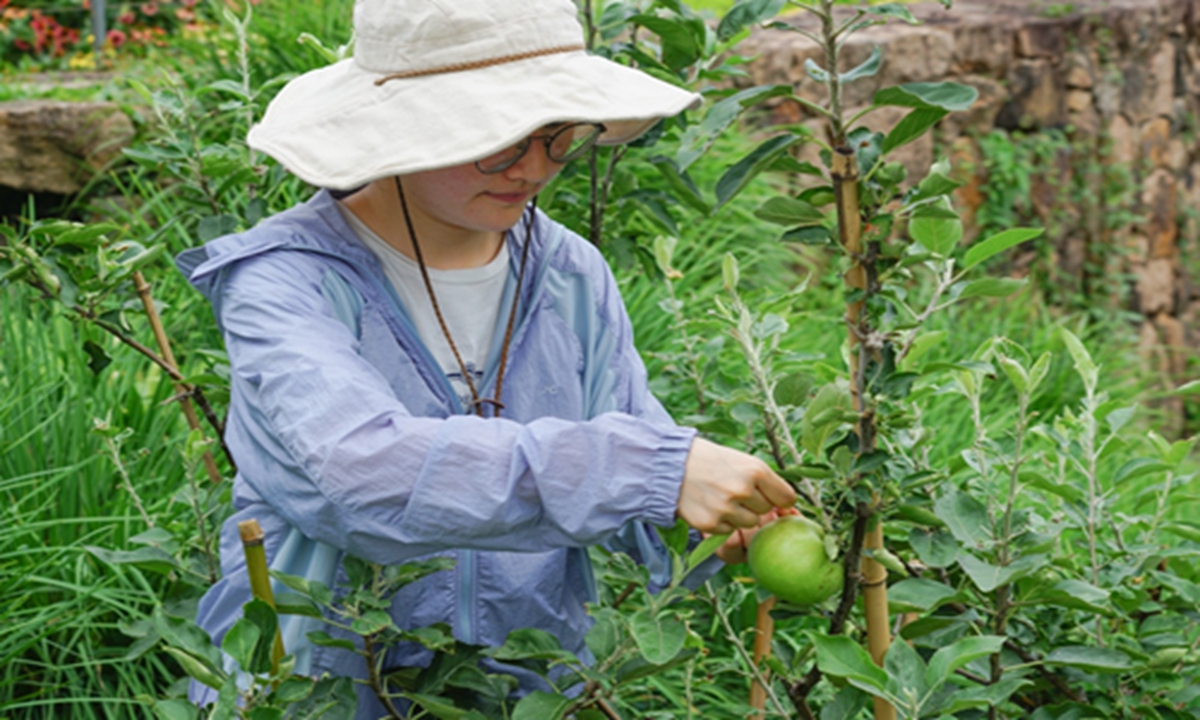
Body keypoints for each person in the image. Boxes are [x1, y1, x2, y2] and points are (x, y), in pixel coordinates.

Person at [178, 0, 797, 714]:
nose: (533, 167)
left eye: (559, 134)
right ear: (404, 126)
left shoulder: (568, 271)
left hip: (524, 686)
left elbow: (629, 466)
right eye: (498, 138)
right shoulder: (283, 282)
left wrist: (710, 523)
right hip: (316, 684)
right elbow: (361, 473)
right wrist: (650, 468)